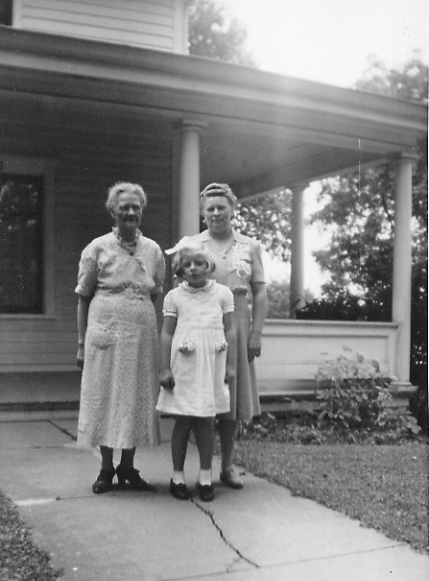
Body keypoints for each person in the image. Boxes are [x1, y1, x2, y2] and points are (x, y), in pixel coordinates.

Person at [75, 182, 165, 494]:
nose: (130, 212)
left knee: (136, 397)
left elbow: (156, 290)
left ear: (142, 211)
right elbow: (83, 297)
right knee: (104, 396)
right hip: (105, 330)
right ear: (113, 211)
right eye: (124, 207)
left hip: (140, 335)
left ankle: (127, 467)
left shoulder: (152, 250)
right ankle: (105, 469)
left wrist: (138, 314)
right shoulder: (97, 248)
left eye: (135, 207)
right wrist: (80, 343)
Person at [190, 182, 268, 489]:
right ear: (202, 213)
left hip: (238, 325)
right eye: (210, 208)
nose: (216, 212)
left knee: (233, 401)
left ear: (233, 209)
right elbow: (180, 289)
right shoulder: (192, 244)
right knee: (204, 399)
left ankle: (228, 465)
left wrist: (257, 333)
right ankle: (204, 467)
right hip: (203, 326)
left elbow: (260, 293)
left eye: (222, 207)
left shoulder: (250, 246)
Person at [156, 240, 237, 502]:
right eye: (186, 264)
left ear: (208, 266)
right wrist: (164, 367)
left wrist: (232, 364)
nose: (193, 268)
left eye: (199, 263)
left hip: (212, 363)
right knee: (183, 421)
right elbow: (167, 333)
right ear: (179, 268)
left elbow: (231, 330)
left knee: (206, 421)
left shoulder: (223, 294)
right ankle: (177, 476)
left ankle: (205, 476)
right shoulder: (174, 296)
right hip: (185, 365)